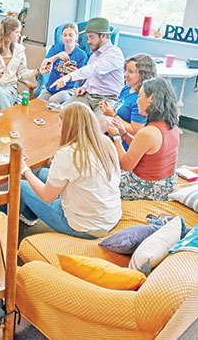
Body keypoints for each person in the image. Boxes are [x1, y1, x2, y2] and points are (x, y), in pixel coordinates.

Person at [19, 102, 122, 239]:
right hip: (110, 217)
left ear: (68, 128)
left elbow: (47, 196)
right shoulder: (105, 142)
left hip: (84, 227)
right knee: (43, 173)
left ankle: (5, 228)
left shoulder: (67, 154)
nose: (58, 128)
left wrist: (24, 169)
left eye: (60, 125)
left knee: (20, 185)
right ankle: (28, 215)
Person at [107, 78, 180, 200]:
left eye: (140, 96)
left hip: (148, 188)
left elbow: (126, 165)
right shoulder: (171, 125)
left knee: (100, 182)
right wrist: (124, 133)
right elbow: (144, 149)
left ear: (151, 98)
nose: (137, 101)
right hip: (166, 183)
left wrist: (116, 138)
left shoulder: (148, 132)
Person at [51, 17, 125, 117]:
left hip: (107, 99)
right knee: (63, 115)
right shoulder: (94, 55)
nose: (88, 42)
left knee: (98, 126)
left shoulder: (115, 53)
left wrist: (68, 77)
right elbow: (92, 77)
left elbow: (95, 69)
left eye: (91, 37)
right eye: (88, 38)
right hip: (87, 95)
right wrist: (85, 87)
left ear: (103, 36)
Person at [0, 16, 39, 112]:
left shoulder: (19, 50)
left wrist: (37, 71)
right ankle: (5, 125)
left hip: (10, 88)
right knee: (0, 94)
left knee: (2, 96)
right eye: (17, 32)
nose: (19, 35)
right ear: (7, 33)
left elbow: (22, 75)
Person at [99, 53, 157, 150]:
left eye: (130, 72)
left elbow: (135, 131)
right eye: (125, 70)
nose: (125, 75)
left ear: (143, 75)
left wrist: (113, 115)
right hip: (113, 135)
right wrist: (109, 110)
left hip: (122, 144)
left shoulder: (139, 100)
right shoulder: (126, 89)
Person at [37, 23, 88, 104]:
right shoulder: (56, 48)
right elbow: (43, 65)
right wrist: (56, 57)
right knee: (37, 103)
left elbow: (81, 82)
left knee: (54, 100)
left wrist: (75, 73)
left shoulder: (82, 55)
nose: (67, 38)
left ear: (76, 37)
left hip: (69, 89)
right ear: (61, 37)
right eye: (65, 35)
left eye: (71, 35)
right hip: (51, 87)